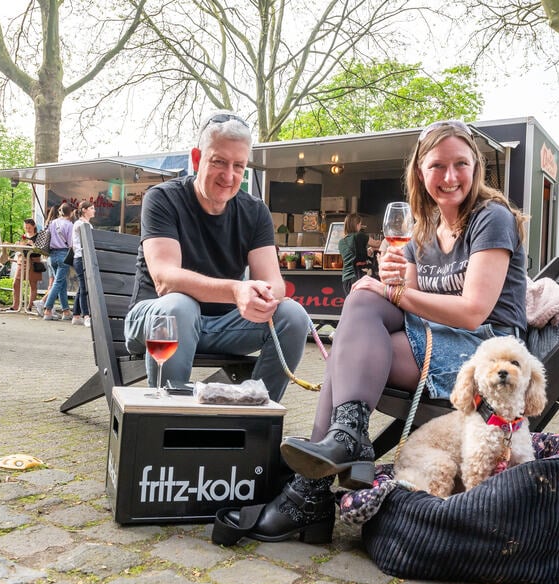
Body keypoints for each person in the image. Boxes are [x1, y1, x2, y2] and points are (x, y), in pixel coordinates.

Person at [211, 120, 528, 545]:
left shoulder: (491, 218)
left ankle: (311, 492)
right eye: (437, 166)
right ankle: (346, 440)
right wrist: (391, 283)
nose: (450, 176)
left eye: (460, 165)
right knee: (361, 305)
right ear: (420, 171)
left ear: (476, 168)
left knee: (350, 349)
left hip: (483, 352)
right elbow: (409, 300)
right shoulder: (424, 227)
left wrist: (393, 292)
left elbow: (473, 312)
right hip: (435, 337)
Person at [123, 110, 309, 402]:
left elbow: (275, 284)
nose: (229, 176)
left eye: (239, 165)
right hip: (158, 320)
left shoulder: (255, 211)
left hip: (223, 327)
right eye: (219, 162)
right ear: (197, 159)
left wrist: (261, 295)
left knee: (293, 316)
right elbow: (165, 279)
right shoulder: (163, 198)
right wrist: (236, 290)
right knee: (180, 306)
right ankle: (169, 418)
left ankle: (257, 415)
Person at [39, 202, 74, 321]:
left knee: (62, 284)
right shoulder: (70, 225)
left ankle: (66, 311)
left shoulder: (52, 222)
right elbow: (71, 244)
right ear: (71, 213)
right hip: (63, 255)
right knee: (58, 283)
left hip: (51, 256)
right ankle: (47, 309)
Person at [5, 218, 43, 312]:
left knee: (32, 283)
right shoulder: (23, 236)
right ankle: (15, 305)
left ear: (34, 226)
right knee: (16, 282)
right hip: (22, 260)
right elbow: (19, 248)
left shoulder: (39, 236)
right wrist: (17, 245)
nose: (27, 229)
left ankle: (30, 306)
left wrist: (33, 244)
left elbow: (41, 250)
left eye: (29, 227)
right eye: (26, 227)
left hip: (34, 261)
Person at [337, 212, 379, 295]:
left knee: (353, 302)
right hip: (359, 277)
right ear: (357, 225)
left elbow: (352, 257)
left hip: (346, 280)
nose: (360, 226)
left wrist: (368, 251)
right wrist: (388, 240)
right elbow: (377, 244)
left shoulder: (341, 242)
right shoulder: (359, 236)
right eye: (360, 224)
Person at [70, 201, 95, 327]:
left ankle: (76, 315)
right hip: (81, 258)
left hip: (83, 257)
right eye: (91, 208)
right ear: (84, 210)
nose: (94, 210)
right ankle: (86, 315)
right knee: (84, 287)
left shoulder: (85, 224)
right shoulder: (80, 224)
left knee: (82, 286)